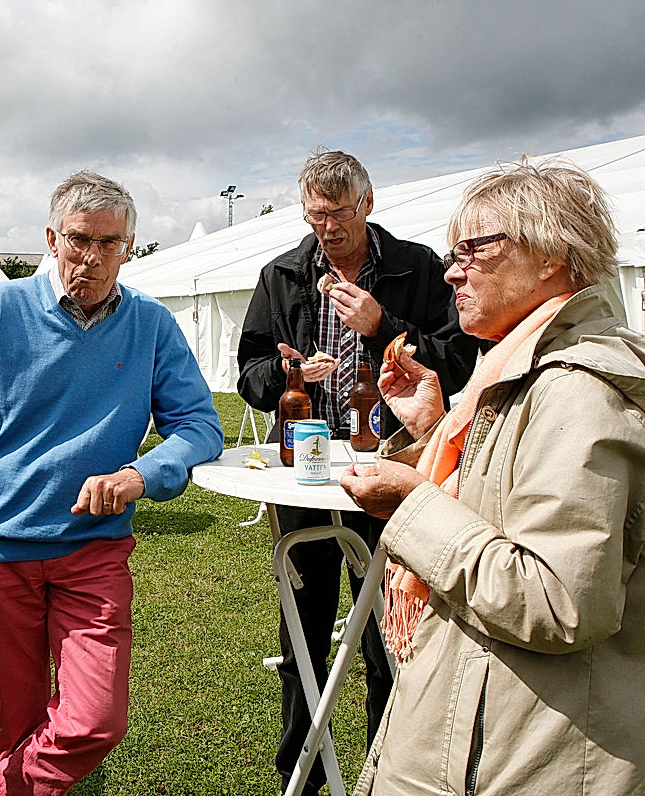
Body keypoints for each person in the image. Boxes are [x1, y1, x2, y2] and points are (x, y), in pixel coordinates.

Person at [341, 159, 645, 795]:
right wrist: (433, 430)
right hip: (490, 727)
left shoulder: (577, 392)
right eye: (452, 253)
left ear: (552, 257)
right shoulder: (515, 373)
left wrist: (411, 505)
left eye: (474, 249)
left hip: (527, 754)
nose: (452, 271)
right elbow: (499, 508)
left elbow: (559, 601)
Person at [0, 170, 224, 795]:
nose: (93, 257)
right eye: (80, 239)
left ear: (129, 247)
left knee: (95, 721)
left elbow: (199, 426)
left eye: (110, 243)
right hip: (0, 553)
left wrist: (142, 474)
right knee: (12, 726)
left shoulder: (150, 323)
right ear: (52, 239)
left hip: (94, 552)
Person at [236, 149, 479, 795]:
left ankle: (384, 775)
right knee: (302, 630)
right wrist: (286, 372)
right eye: (315, 215)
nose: (327, 228)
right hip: (305, 471)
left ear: (367, 204)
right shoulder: (282, 274)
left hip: (391, 467)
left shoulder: (418, 267)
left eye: (339, 213)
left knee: (386, 634)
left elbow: (457, 361)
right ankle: (300, 776)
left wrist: (381, 327)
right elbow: (250, 376)